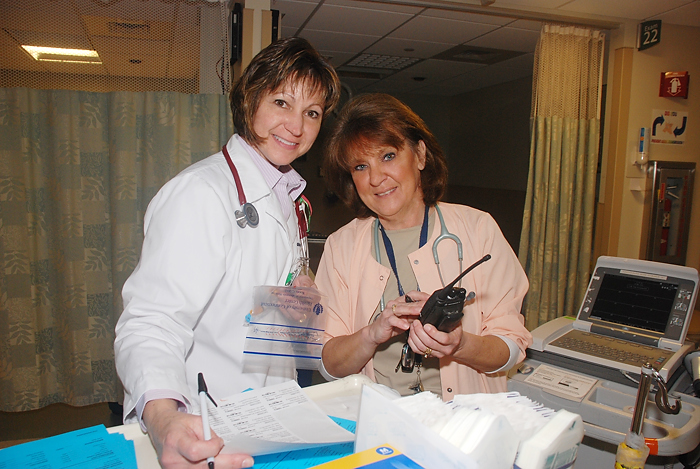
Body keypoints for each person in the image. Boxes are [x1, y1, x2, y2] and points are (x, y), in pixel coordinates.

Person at [114, 37, 340, 469]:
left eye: (312, 113)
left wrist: (297, 297)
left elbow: (258, 306)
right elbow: (151, 322)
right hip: (206, 425)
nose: (297, 125)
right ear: (250, 99)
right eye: (281, 102)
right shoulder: (201, 193)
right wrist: (164, 418)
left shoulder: (290, 199)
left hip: (271, 419)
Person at [316, 93, 532, 401]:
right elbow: (329, 365)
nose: (376, 178)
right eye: (361, 166)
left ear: (419, 155)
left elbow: (511, 349)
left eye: (388, 156)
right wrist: (370, 335)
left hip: (463, 426)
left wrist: (460, 345)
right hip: (380, 427)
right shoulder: (342, 247)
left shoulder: (478, 229)